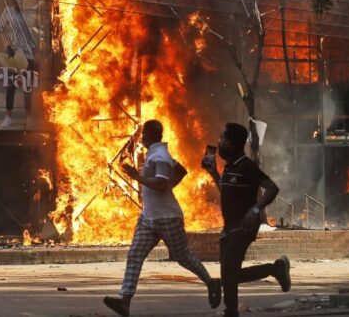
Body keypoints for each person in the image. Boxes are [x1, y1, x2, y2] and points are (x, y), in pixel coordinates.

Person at [103, 120, 221, 317]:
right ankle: (125, 301)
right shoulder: (156, 154)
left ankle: (211, 282)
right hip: (149, 217)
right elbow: (181, 171)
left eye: (143, 134)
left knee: (183, 257)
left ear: (149, 135)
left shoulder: (160, 156)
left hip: (168, 218)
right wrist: (168, 187)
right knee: (134, 255)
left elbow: (159, 184)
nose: (141, 138)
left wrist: (136, 176)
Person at [202, 123, 291, 317]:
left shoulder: (247, 166)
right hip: (229, 226)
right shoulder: (229, 167)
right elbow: (227, 191)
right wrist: (214, 174)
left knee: (229, 272)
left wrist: (255, 209)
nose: (219, 142)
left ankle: (232, 310)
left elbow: (272, 188)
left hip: (244, 226)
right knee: (229, 274)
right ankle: (275, 269)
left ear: (232, 144)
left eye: (223, 139)